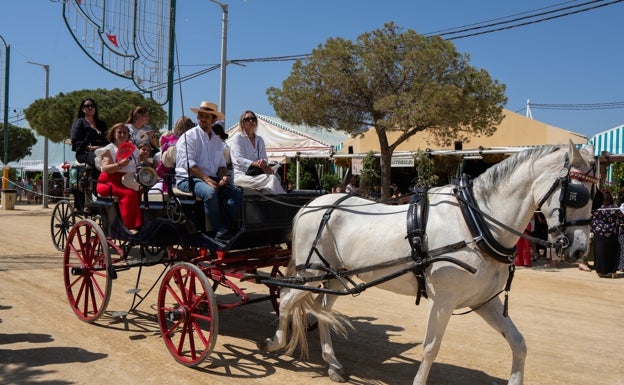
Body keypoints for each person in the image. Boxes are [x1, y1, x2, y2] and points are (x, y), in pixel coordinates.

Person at [175, 101, 242, 241]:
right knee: (210, 193)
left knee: (237, 193)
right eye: (201, 115)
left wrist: (223, 177)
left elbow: (221, 165)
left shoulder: (217, 141)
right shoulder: (188, 137)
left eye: (207, 116)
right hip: (187, 178)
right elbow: (189, 164)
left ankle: (224, 228)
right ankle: (215, 234)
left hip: (210, 178)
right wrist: (206, 179)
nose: (203, 118)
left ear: (214, 120)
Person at [95, 123, 142, 231]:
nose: (122, 134)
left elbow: (137, 165)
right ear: (113, 134)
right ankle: (130, 226)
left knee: (144, 192)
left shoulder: (133, 149)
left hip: (128, 180)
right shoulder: (109, 149)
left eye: (125, 132)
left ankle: (143, 222)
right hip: (109, 181)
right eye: (119, 132)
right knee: (129, 194)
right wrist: (119, 165)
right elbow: (106, 168)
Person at [229, 110, 285, 194]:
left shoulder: (260, 140)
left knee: (272, 180)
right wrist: (257, 164)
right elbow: (238, 159)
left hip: (256, 175)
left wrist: (264, 163)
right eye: (247, 119)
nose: (251, 121)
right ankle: (282, 201)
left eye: (253, 119)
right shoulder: (238, 138)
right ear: (242, 123)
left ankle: (273, 204)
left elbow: (264, 158)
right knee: (272, 179)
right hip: (241, 176)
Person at [591, 189, 623, 278]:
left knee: (600, 252)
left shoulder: (596, 207)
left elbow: (589, 215)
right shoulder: (614, 207)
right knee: (612, 252)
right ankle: (613, 271)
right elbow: (621, 217)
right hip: (612, 232)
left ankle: (600, 271)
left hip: (599, 232)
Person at [70, 98, 108, 168]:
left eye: (92, 105)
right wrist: (90, 148)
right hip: (85, 152)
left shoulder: (101, 124)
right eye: (87, 106)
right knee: (99, 160)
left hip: (102, 151)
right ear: (83, 109)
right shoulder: (79, 122)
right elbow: (75, 142)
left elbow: (107, 139)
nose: (90, 107)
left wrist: (103, 147)